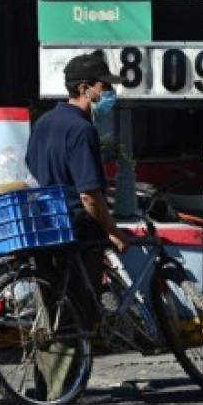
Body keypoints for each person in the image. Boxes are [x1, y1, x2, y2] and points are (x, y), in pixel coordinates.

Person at [26, 53, 130, 254]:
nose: (110, 93)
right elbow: (89, 195)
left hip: (46, 225)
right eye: (105, 87)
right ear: (84, 89)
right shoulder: (81, 129)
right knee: (87, 285)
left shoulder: (43, 122)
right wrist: (113, 232)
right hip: (77, 230)